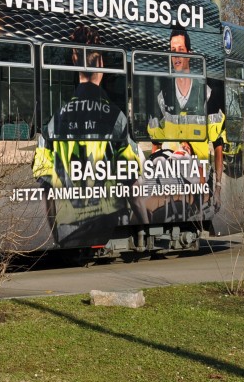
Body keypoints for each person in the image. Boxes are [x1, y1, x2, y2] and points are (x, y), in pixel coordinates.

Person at [32, 26, 142, 248]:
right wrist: (142, 224)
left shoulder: (54, 122)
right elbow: (133, 180)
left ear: (75, 61)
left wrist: (57, 234)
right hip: (109, 221)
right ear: (100, 62)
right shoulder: (116, 118)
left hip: (68, 229)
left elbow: (46, 187)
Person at [147, 26, 225, 210]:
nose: (176, 55)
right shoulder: (162, 97)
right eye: (172, 50)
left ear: (189, 54)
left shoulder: (207, 95)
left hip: (198, 186)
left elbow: (218, 146)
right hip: (170, 185)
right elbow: (155, 145)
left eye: (180, 50)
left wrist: (218, 188)